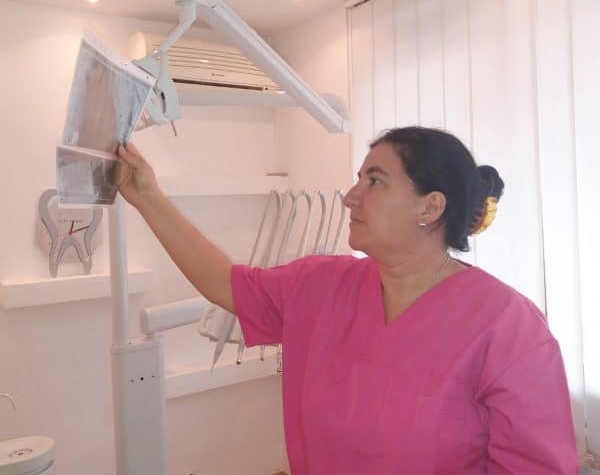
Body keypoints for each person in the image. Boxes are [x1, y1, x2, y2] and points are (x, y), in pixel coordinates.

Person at [116, 126, 578, 474]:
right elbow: (224, 283)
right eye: (359, 179)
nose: (350, 197)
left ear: (430, 207)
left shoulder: (508, 326)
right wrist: (147, 196)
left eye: (375, 181)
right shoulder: (321, 285)